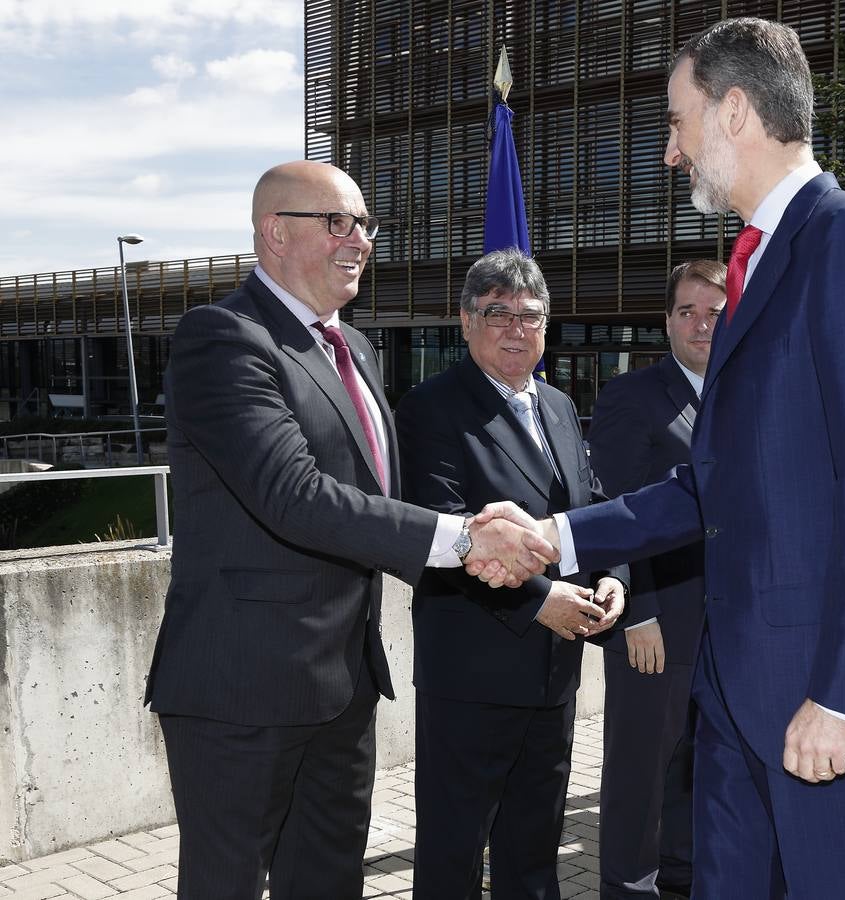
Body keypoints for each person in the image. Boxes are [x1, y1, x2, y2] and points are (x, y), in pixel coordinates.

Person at [480, 18, 845, 898]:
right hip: (736, 699)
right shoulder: (760, 268)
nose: (670, 151)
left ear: (735, 111)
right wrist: (554, 535)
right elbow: (715, 489)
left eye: (676, 120)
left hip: (824, 705)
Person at [143, 161, 554, 899]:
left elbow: (376, 498)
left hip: (344, 686)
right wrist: (465, 539)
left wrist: (491, 534)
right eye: (337, 221)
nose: (359, 239)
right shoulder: (222, 338)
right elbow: (295, 496)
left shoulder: (355, 349)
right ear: (274, 232)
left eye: (365, 224)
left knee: (329, 883)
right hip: (242, 689)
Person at [396, 250, 627, 899]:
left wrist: (614, 574)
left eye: (530, 316)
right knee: (455, 852)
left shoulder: (557, 404)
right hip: (471, 675)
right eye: (497, 314)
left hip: (553, 679)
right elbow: (444, 532)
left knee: (534, 851)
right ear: (467, 323)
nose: (515, 329)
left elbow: (590, 503)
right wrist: (541, 600)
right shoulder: (431, 409)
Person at [586, 260, 724, 899]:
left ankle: (682, 873)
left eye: (715, 312)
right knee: (643, 763)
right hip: (656, 619)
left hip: (727, 623)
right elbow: (615, 508)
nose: (702, 324)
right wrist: (636, 609)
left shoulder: (742, 393)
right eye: (688, 311)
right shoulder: (632, 397)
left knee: (697, 760)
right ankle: (627, 881)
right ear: (667, 321)